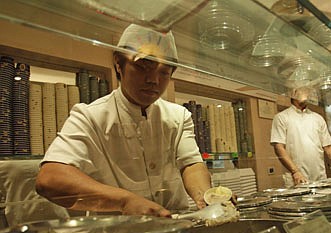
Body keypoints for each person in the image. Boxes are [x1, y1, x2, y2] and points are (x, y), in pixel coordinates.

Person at [35, 24, 212, 217]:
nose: (153, 80)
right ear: (119, 64)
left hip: (176, 227)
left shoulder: (179, 116)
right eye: (142, 67)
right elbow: (50, 178)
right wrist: (125, 201)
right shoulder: (89, 116)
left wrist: (207, 198)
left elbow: (191, 164)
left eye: (164, 72)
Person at [270, 86, 331, 187]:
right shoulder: (282, 117)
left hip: (319, 178)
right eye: (304, 90)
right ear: (294, 93)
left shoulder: (317, 118)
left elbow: (329, 148)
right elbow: (279, 147)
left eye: (308, 90)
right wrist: (295, 172)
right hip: (297, 179)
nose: (308, 93)